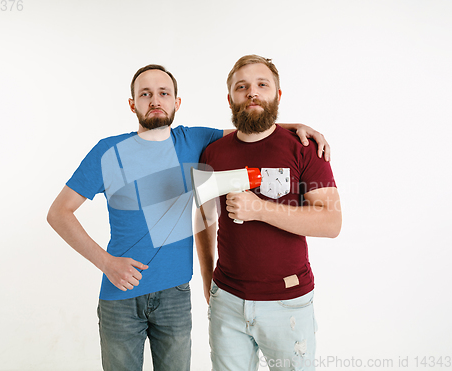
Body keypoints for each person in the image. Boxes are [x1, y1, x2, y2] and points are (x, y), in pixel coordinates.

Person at [47, 63, 331, 371]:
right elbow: (59, 213)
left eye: (164, 93)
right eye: (145, 94)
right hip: (121, 295)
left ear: (176, 103)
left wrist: (299, 126)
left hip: (175, 297)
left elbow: (253, 127)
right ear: (132, 104)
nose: (155, 100)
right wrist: (106, 263)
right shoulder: (107, 151)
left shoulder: (195, 141)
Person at [195, 55, 342, 371]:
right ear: (230, 98)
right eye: (242, 86)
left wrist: (259, 209)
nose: (252, 92)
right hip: (227, 302)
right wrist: (209, 280)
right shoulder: (212, 152)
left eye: (262, 85)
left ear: (277, 94)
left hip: (288, 303)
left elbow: (331, 222)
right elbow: (204, 218)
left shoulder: (303, 147)